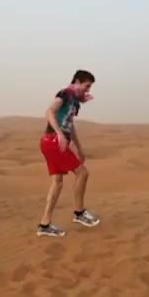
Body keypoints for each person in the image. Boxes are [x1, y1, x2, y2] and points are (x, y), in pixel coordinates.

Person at [38, 70, 100, 237]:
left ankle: (44, 225)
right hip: (53, 141)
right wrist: (59, 134)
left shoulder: (74, 102)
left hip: (49, 142)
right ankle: (79, 213)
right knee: (83, 173)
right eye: (87, 86)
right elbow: (49, 112)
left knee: (57, 182)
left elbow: (70, 125)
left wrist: (78, 147)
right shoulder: (65, 94)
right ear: (77, 82)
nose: (88, 90)